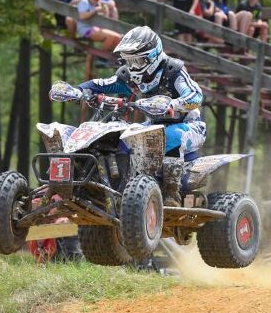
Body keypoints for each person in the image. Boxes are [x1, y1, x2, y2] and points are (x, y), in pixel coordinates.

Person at [77, 26, 206, 206]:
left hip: (189, 126)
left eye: (137, 61)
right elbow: (101, 84)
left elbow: (196, 95)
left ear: (152, 56)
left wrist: (174, 103)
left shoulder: (172, 72)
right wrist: (77, 90)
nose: (132, 67)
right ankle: (120, 188)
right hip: (153, 126)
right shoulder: (129, 78)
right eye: (129, 61)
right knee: (124, 137)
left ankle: (171, 192)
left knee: (168, 135)